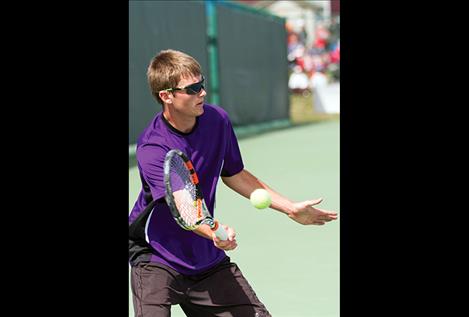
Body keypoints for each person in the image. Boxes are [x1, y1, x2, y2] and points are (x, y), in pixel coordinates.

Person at [129, 49, 338, 317]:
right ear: (166, 96)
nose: (202, 93)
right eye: (192, 89)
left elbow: (235, 174)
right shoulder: (153, 147)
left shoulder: (217, 121)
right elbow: (183, 206)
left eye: (201, 83)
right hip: (156, 257)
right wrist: (214, 229)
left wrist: (290, 208)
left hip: (205, 257)